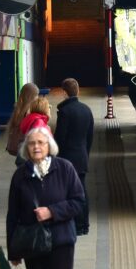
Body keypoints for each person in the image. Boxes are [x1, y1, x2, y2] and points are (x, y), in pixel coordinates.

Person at [6, 126, 85, 269]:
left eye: (41, 143)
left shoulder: (65, 169)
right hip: (32, 243)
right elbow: (13, 214)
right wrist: (13, 249)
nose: (36, 147)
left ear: (49, 146)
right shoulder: (20, 175)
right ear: (26, 149)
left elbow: (79, 202)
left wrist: (52, 211)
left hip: (61, 241)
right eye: (32, 144)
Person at [53, 78, 94, 235]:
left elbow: (60, 139)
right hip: (82, 157)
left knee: (69, 192)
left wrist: (56, 157)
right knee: (82, 191)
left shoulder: (65, 112)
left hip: (67, 159)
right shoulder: (86, 110)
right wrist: (85, 154)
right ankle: (84, 225)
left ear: (64, 92)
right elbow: (90, 137)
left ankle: (74, 225)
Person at [4, 83, 41, 157]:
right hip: (27, 147)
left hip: (18, 146)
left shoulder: (18, 107)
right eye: (36, 95)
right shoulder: (30, 111)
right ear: (31, 96)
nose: (37, 97)